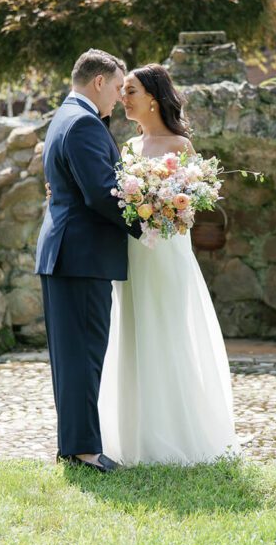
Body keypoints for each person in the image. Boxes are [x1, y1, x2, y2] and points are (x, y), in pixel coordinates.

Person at [98, 63, 240, 465]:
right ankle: (132, 436)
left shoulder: (181, 147)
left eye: (130, 91)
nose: (122, 98)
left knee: (168, 336)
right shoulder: (127, 149)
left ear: (154, 100)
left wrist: (164, 209)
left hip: (168, 258)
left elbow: (192, 208)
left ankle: (177, 435)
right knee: (132, 334)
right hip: (134, 258)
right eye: (122, 91)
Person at [35, 48, 140, 473]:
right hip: (80, 256)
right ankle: (82, 451)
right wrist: (146, 222)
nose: (118, 97)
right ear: (99, 82)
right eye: (117, 87)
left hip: (70, 255)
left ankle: (75, 445)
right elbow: (100, 193)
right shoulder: (82, 123)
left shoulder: (64, 117)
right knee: (83, 354)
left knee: (75, 354)